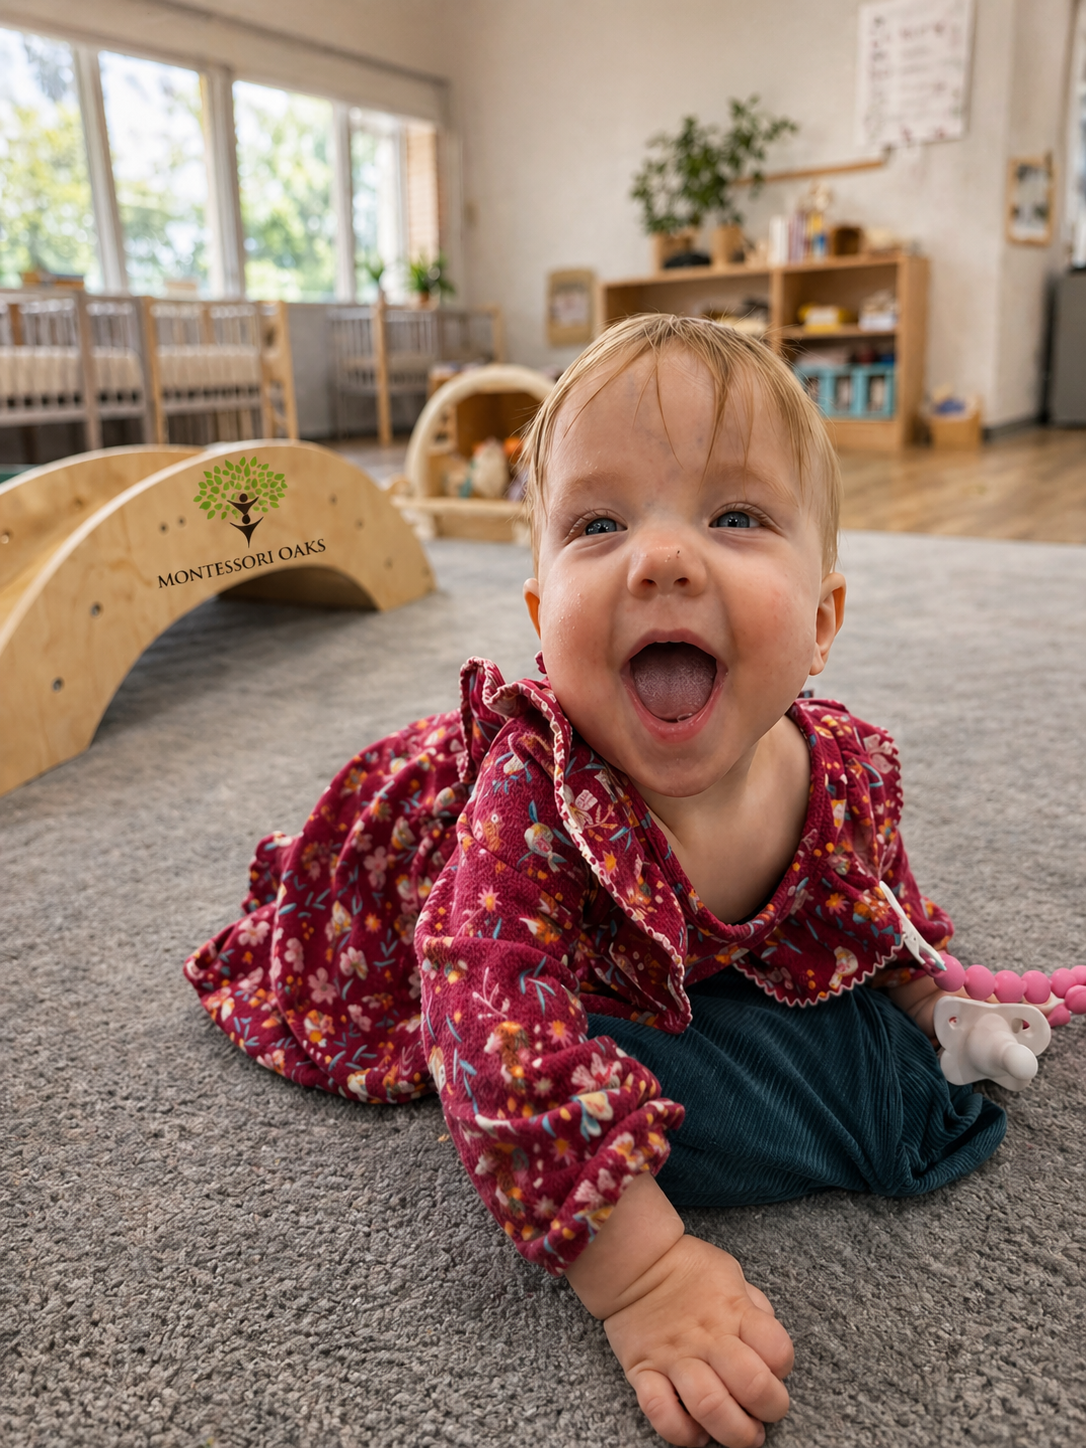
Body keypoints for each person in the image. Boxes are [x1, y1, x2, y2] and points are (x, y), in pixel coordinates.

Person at [184, 315, 1060, 1448]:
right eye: (598, 524)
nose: (661, 557)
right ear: (546, 623)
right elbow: (489, 1029)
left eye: (734, 516)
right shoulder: (533, 807)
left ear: (823, 624)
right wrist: (644, 1277)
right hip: (412, 855)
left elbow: (874, 907)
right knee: (457, 1016)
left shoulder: (840, 775)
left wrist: (933, 1000)